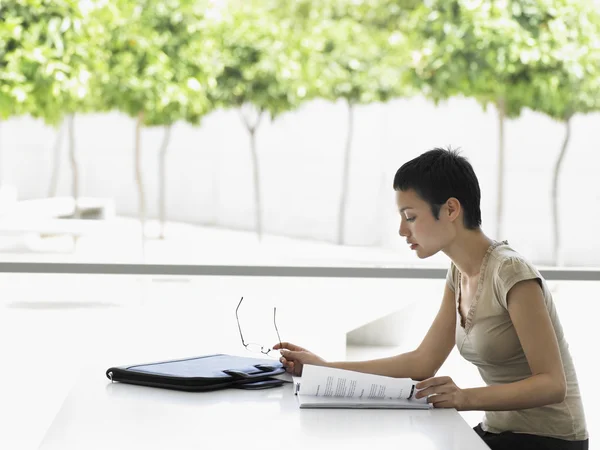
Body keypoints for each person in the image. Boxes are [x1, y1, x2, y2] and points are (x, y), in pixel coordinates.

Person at [274, 147, 588, 450]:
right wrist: (326, 368)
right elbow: (423, 362)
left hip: (550, 440)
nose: (401, 230)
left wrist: (464, 397)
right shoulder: (458, 273)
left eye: (410, 216)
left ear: (451, 209)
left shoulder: (511, 273)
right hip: (498, 431)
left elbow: (552, 384)